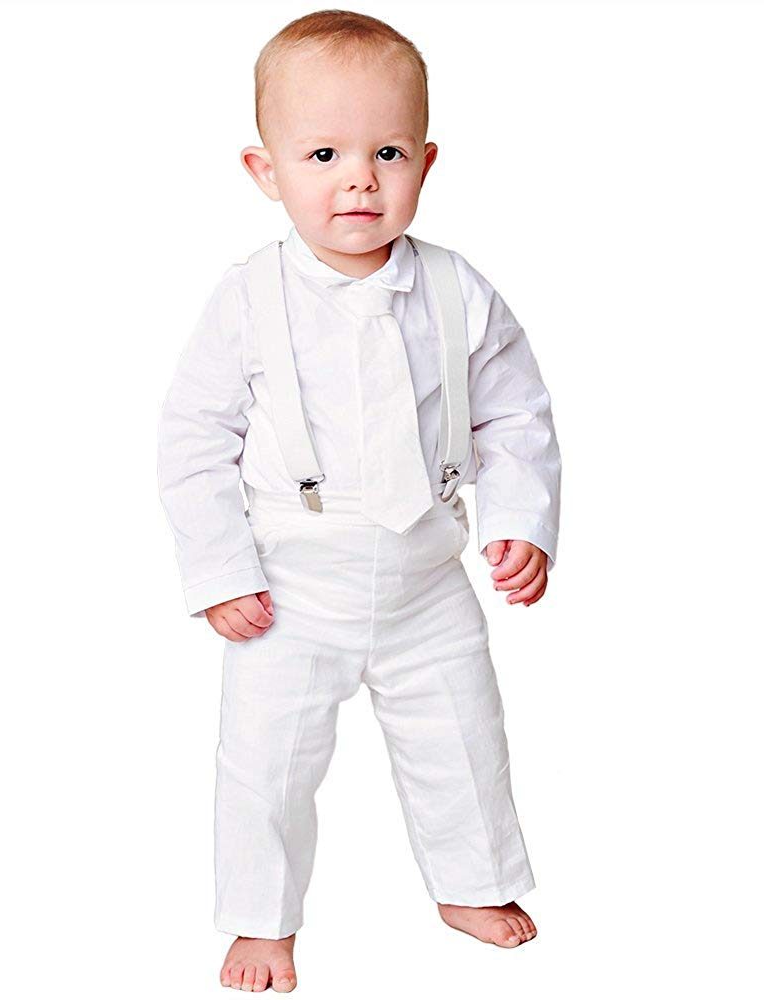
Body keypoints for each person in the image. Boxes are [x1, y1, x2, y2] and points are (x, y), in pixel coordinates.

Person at [157, 9, 560, 994]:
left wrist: (519, 521)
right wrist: (220, 571)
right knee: (264, 765)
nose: (359, 181)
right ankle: (262, 921)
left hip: (427, 573)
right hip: (290, 586)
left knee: (463, 738)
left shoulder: (459, 289)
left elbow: (514, 414)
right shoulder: (247, 297)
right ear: (265, 171)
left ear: (426, 161)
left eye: (387, 153)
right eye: (323, 154)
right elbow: (194, 439)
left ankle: (472, 883)